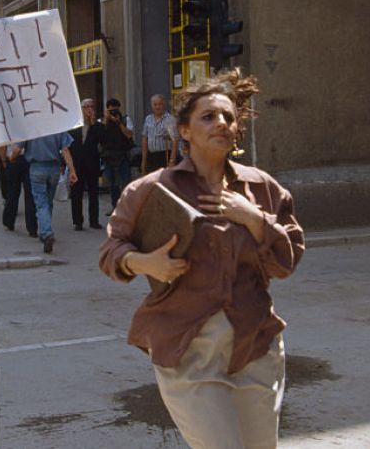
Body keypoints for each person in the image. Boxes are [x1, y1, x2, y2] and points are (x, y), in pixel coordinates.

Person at [99, 69, 305, 449]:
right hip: (187, 350)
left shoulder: (262, 188)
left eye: (228, 117)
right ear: (185, 131)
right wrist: (145, 263)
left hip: (255, 345)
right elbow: (111, 251)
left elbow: (286, 262)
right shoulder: (152, 189)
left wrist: (254, 219)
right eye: (208, 117)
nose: (221, 123)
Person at [24, 130, 78, 254]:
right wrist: (72, 170)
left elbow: (17, 148)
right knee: (48, 202)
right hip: (54, 168)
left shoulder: (30, 126)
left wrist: (11, 158)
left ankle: (46, 232)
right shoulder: (56, 127)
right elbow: (65, 150)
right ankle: (45, 229)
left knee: (41, 203)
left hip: (36, 167)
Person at [69, 98, 106, 230]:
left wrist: (93, 122)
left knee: (93, 192)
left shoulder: (98, 126)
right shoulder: (74, 125)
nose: (89, 109)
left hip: (92, 163)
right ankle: (77, 221)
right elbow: (67, 145)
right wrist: (66, 165)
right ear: (81, 109)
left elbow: (103, 140)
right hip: (77, 163)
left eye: (91, 107)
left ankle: (94, 220)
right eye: (86, 107)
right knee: (76, 193)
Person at [100, 97, 135, 209]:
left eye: (116, 110)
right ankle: (115, 206)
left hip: (123, 155)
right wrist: (106, 119)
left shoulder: (125, 119)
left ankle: (126, 207)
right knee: (112, 183)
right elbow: (100, 136)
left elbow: (129, 135)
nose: (114, 113)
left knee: (125, 182)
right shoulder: (103, 121)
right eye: (111, 111)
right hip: (108, 156)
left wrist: (119, 123)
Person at [0, 142, 38, 236]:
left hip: (12, 158)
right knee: (30, 194)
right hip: (28, 159)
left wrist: (4, 160)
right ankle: (32, 227)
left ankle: (9, 221)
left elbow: (2, 145)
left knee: (12, 192)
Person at [141, 93, 179, 174]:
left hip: (165, 156)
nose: (157, 107)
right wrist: (143, 161)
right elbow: (144, 139)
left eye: (160, 104)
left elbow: (175, 141)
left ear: (164, 105)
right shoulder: (148, 119)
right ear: (151, 106)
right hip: (151, 156)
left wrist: (172, 161)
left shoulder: (170, 119)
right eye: (155, 104)